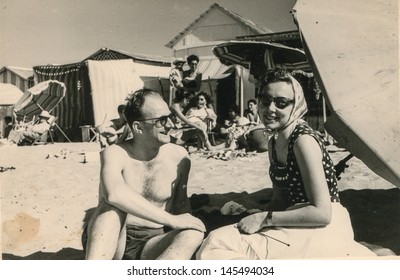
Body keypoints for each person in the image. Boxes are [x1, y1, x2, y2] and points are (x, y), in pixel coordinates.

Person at [196, 69, 375, 259]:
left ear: (296, 104)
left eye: (281, 103)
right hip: (297, 222)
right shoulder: (274, 141)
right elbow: (280, 201)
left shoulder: (302, 141)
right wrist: (251, 212)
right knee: (219, 240)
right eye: (265, 100)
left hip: (322, 227)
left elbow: (322, 212)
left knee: (215, 245)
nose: (270, 109)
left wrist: (264, 218)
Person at [84, 88, 205, 260]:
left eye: (170, 117)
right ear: (138, 127)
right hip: (114, 237)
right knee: (112, 210)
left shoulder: (179, 156)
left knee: (193, 234)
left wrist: (183, 225)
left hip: (151, 242)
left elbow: (181, 208)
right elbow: (114, 194)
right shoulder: (115, 153)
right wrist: (171, 220)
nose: (171, 125)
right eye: (161, 121)